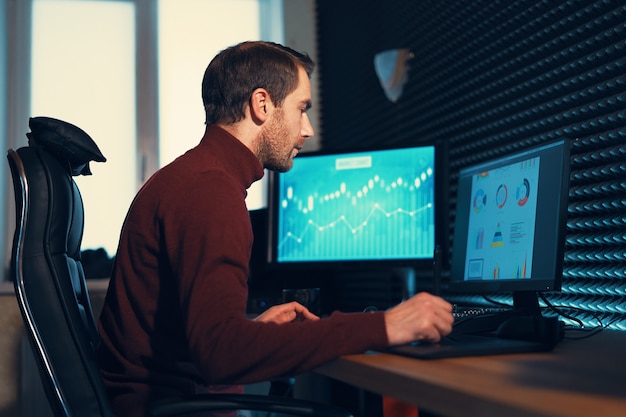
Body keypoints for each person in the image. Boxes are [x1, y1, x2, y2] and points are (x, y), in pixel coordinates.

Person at [97, 40, 454, 417]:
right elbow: (221, 354)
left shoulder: (193, 177)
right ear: (262, 104)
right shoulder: (211, 193)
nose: (309, 129)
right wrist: (383, 325)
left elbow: (202, 337)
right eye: (301, 109)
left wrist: (254, 332)